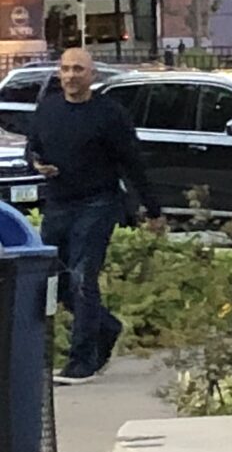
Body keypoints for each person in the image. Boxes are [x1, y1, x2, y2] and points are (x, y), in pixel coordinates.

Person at [27, 45, 159, 383]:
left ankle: (82, 360)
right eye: (66, 69)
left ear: (92, 75)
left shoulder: (110, 114)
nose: (71, 76)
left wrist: (153, 209)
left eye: (78, 70)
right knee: (54, 278)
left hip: (97, 203)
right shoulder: (48, 108)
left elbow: (133, 162)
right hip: (57, 203)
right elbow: (33, 146)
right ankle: (107, 327)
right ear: (59, 72)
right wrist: (37, 163)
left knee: (84, 278)